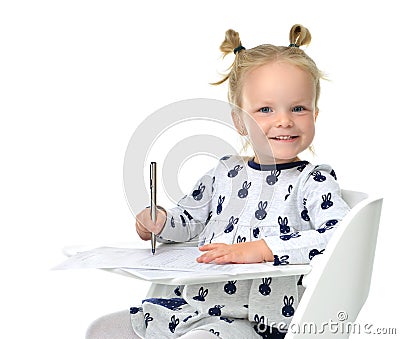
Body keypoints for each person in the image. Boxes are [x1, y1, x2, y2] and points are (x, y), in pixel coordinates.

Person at [86, 24, 350, 338]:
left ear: (315, 115)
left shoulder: (314, 182)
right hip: (192, 310)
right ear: (239, 120)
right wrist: (159, 221)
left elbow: (339, 240)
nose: (284, 120)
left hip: (258, 323)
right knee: (103, 329)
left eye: (298, 108)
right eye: (265, 109)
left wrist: (263, 249)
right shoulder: (224, 173)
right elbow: (188, 220)